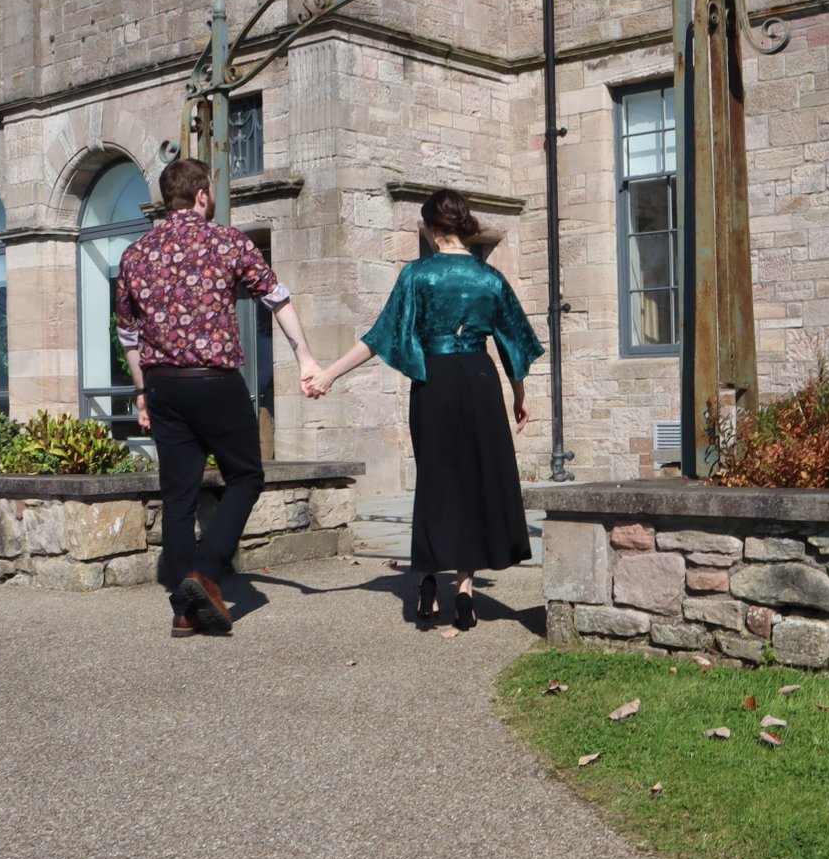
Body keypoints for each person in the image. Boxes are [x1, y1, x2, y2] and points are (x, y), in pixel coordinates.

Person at [306, 189, 543, 631]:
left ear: (433, 229)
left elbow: (380, 336)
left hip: (433, 382)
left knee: (436, 479)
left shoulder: (417, 275)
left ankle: (429, 582)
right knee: (473, 480)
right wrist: (520, 395)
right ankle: (466, 591)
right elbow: (513, 342)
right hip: (478, 380)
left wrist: (329, 374)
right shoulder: (489, 279)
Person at [116, 158, 321, 638]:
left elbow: (128, 335)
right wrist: (305, 357)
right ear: (202, 195)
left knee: (179, 494)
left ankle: (184, 612)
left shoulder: (135, 253)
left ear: (169, 199)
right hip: (213, 380)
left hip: (164, 383)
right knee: (246, 474)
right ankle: (203, 572)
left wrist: (142, 391)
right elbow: (277, 298)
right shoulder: (227, 241)